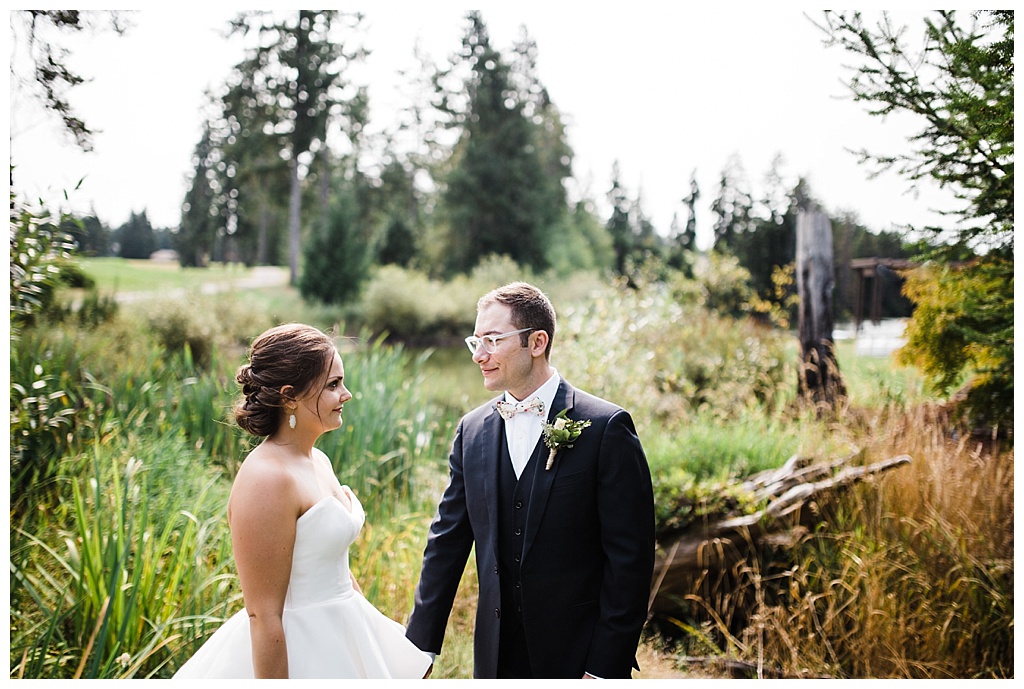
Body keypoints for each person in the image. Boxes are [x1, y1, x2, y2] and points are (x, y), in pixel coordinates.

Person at [406, 282, 655, 679]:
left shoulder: (606, 427)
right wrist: (419, 648)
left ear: (536, 342)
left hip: (578, 656)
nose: (479, 355)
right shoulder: (471, 430)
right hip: (495, 656)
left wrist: (605, 666)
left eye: (492, 340)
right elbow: (446, 543)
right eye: (476, 341)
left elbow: (631, 562)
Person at [174, 323, 431, 679]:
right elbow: (263, 615)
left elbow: (332, 566)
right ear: (289, 396)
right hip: (300, 649)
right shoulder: (266, 478)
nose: (348, 394)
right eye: (333, 385)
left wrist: (379, 640)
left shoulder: (318, 460)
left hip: (343, 634)